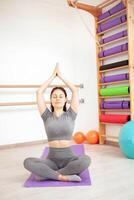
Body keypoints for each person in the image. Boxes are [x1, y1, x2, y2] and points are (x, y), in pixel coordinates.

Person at [23, 65, 91, 182]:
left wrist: (60, 76)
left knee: (86, 160)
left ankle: (49, 175)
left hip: (69, 159)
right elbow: (39, 92)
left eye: (61, 96)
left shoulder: (71, 114)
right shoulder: (46, 116)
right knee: (27, 162)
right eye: (54, 96)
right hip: (51, 160)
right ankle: (62, 176)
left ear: (65, 100)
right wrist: (52, 77)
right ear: (51, 100)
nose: (58, 98)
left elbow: (75, 90)